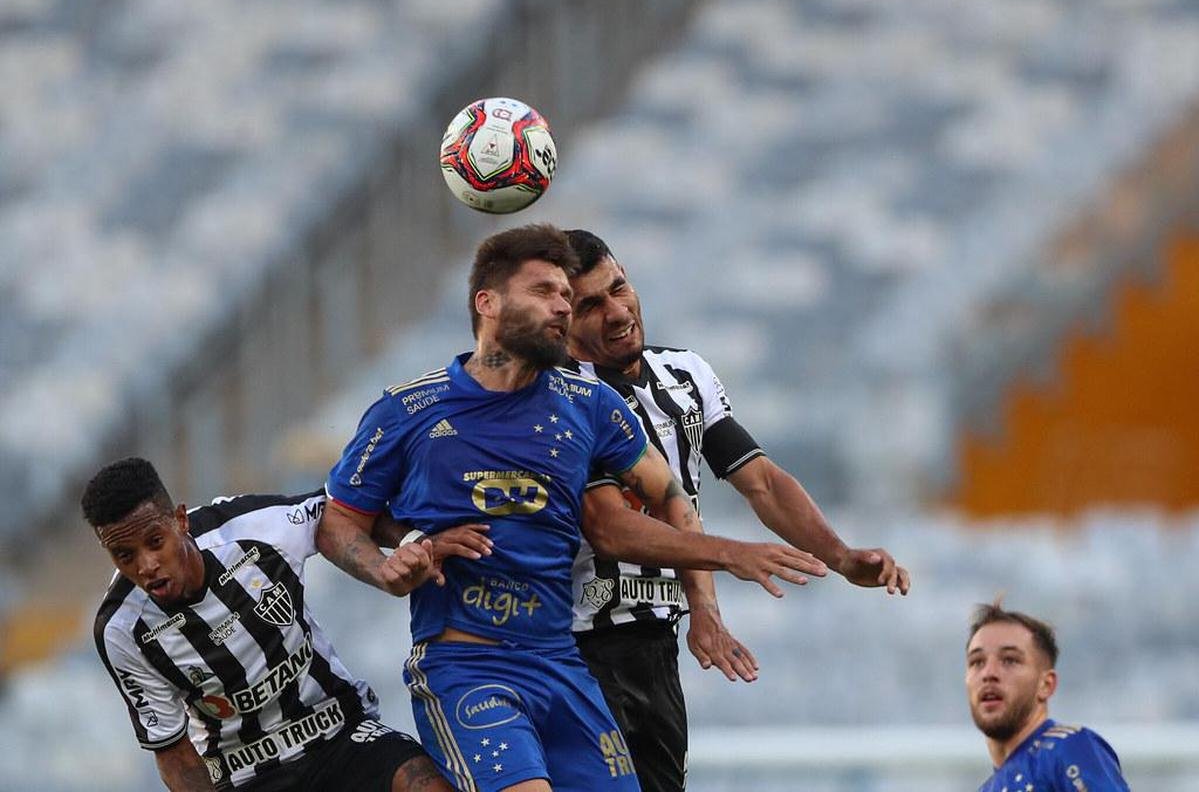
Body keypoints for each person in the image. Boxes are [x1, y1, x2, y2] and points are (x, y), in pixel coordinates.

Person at [318, 223, 826, 792]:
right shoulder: (408, 410)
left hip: (561, 664)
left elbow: (670, 496)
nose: (561, 305)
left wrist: (704, 598)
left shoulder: (590, 404)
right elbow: (338, 520)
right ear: (487, 303)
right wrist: (392, 561)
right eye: (544, 291)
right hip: (469, 668)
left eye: (565, 294)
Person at [563, 228, 913, 792]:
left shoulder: (685, 374)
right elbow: (607, 526)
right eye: (590, 305)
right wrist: (728, 556)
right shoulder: (560, 397)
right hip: (575, 644)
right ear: (562, 321)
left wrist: (842, 558)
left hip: (655, 641)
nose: (618, 312)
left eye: (619, 288)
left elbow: (762, 483)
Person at [87, 456, 453, 792]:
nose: (146, 565)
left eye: (155, 542)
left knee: (424, 785)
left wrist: (410, 542)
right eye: (124, 555)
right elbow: (174, 755)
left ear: (181, 521)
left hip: (340, 733)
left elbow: (337, 512)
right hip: (245, 773)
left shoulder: (251, 528)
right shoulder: (122, 629)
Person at [966, 601, 1131, 792]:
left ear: (1046, 684)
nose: (988, 673)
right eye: (977, 662)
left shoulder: (1066, 748)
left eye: (1010, 660)